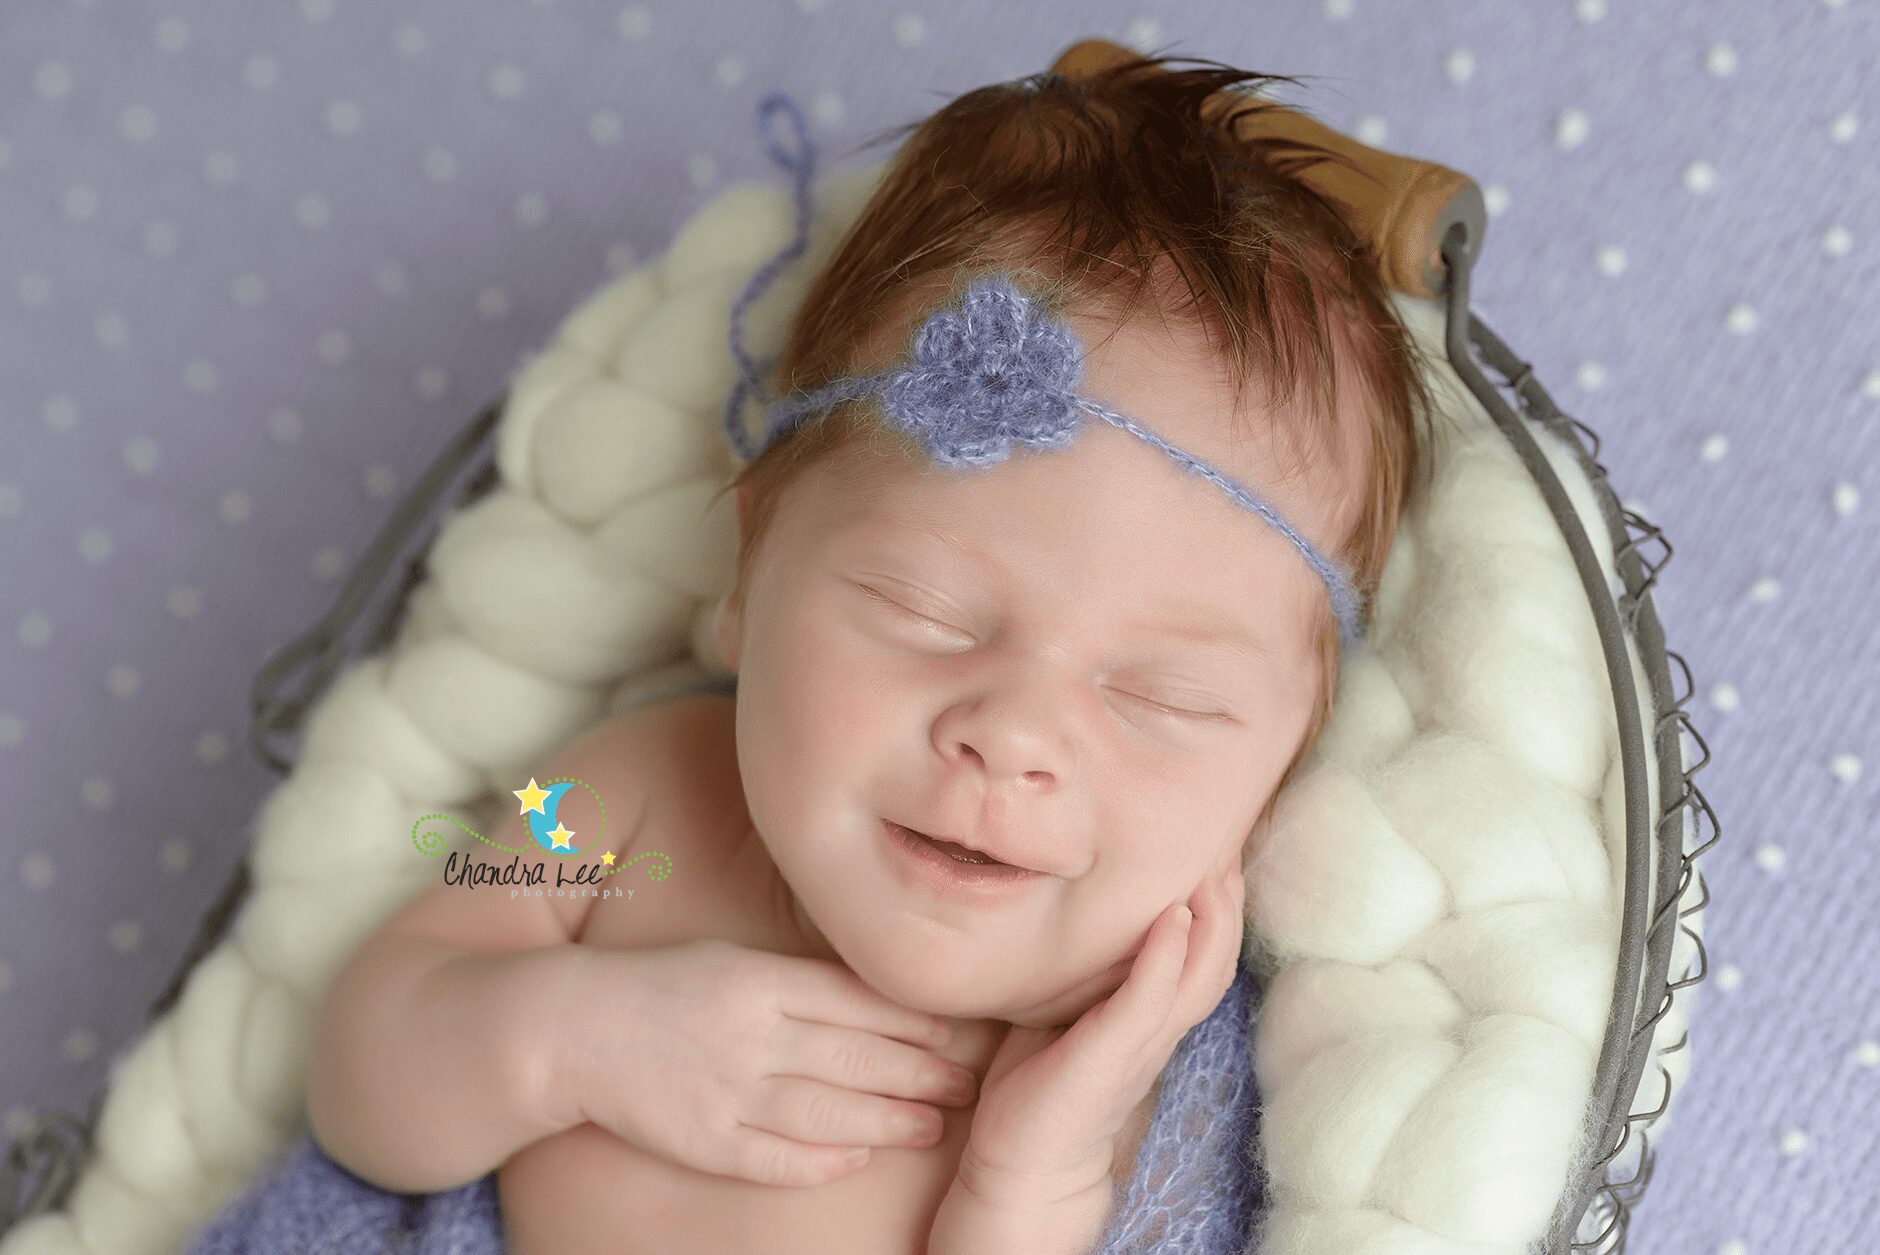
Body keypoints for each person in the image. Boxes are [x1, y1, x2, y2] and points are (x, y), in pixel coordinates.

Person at [278, 52, 1436, 1255]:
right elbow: (364, 1077)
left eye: (1161, 696)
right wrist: (568, 1036)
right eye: (924, 610)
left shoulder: (1137, 1053)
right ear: (749, 574)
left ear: (1283, 766)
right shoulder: (622, 797)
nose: (1013, 736)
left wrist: (1024, 1178)